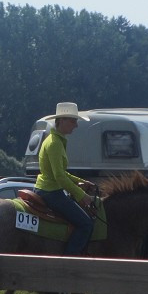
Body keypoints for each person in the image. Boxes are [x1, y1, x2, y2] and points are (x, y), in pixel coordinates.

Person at [33, 102, 96, 256]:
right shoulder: (55, 144)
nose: (75, 125)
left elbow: (61, 173)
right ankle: (69, 260)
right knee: (86, 224)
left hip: (46, 188)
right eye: (73, 121)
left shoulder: (53, 140)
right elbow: (59, 176)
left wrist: (79, 181)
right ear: (61, 121)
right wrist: (81, 195)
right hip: (51, 192)